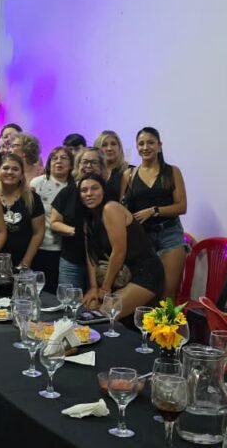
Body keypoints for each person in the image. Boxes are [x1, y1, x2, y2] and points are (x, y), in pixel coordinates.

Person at [79, 173, 161, 319]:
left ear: (103, 190)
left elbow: (119, 251)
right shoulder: (88, 219)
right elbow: (90, 254)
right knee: (88, 308)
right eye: (84, 190)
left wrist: (105, 288)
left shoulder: (111, 208)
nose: (89, 194)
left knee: (104, 315)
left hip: (144, 273)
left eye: (94, 188)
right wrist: (93, 287)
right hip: (122, 274)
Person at [120, 127, 188, 300]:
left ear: (159, 146)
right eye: (141, 143)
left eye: (150, 142)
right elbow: (123, 207)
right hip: (142, 237)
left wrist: (154, 211)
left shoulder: (172, 171)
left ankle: (166, 320)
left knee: (168, 294)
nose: (145, 147)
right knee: (147, 291)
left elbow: (181, 206)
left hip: (169, 234)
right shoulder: (129, 174)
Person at [49, 147, 105, 290]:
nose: (88, 166)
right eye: (84, 162)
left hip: (102, 262)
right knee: (68, 300)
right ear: (78, 165)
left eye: (94, 162)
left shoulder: (108, 192)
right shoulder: (67, 192)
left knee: (97, 301)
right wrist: (74, 231)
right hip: (71, 260)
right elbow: (54, 222)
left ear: (101, 166)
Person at [0, 154, 44, 270]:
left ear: (21, 174)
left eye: (15, 169)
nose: (10, 172)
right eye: (6, 168)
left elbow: (38, 233)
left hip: (21, 262)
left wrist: (26, 262)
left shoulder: (32, 198)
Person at [30, 146, 74, 294]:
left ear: (71, 164)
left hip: (64, 248)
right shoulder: (37, 183)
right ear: (49, 163)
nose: (58, 161)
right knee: (38, 288)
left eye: (64, 158)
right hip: (39, 245)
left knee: (57, 291)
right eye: (54, 158)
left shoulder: (75, 187)